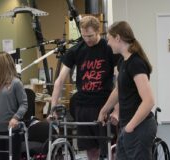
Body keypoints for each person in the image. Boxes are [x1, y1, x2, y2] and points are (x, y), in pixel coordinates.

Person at [50, 15, 119, 160]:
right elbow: (59, 80)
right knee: (90, 149)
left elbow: (120, 81)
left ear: (98, 31)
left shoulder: (109, 48)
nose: (87, 39)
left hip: (104, 105)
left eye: (90, 35)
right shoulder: (76, 50)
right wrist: (53, 108)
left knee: (110, 147)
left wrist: (117, 109)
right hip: (83, 107)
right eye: (84, 35)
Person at [98, 21, 157, 160]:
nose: (108, 43)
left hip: (139, 127)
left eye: (109, 39)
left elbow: (149, 101)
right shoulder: (123, 61)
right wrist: (104, 109)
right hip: (127, 126)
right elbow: (119, 90)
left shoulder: (136, 63)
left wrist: (131, 126)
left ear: (118, 38)